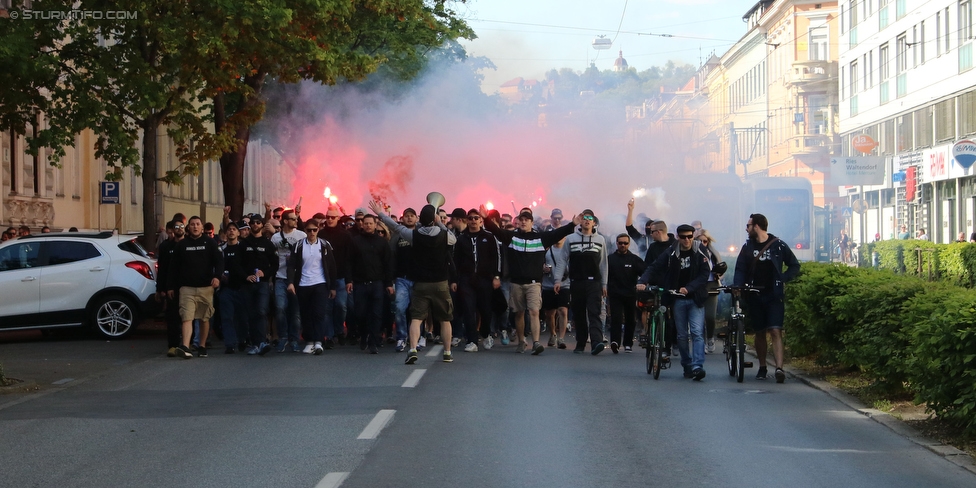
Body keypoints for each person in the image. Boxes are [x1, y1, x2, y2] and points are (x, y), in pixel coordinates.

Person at [483, 206, 579, 355]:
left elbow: (558, 233)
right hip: (516, 283)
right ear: (518, 222)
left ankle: (535, 342)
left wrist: (572, 225)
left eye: (526, 220)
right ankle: (521, 342)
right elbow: (496, 231)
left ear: (531, 222)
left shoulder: (540, 238)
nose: (523, 222)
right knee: (519, 313)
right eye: (521, 220)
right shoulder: (512, 237)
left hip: (534, 283)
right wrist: (486, 218)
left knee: (534, 311)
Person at [372, 201, 457, 364]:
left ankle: (412, 349)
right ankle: (447, 352)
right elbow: (453, 239)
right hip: (440, 283)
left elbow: (396, 228)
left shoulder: (414, 235)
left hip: (420, 283)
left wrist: (381, 214)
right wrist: (440, 223)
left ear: (420, 219)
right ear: (434, 218)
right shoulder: (444, 235)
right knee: (445, 319)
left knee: (416, 318)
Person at [733, 213, 801, 383]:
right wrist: (738, 286)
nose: (746, 229)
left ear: (756, 226)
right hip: (754, 295)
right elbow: (740, 269)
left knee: (776, 330)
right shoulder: (747, 247)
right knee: (760, 332)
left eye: (748, 225)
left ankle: (779, 368)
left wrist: (783, 278)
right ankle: (762, 366)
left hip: (774, 295)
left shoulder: (777, 245)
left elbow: (794, 265)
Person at [637, 224, 710, 381]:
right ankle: (687, 365)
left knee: (697, 332)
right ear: (678, 237)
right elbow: (655, 266)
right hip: (677, 298)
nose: (687, 240)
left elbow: (704, 274)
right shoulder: (671, 251)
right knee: (682, 335)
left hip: (695, 297)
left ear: (693, 236)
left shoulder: (699, 250)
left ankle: (698, 366)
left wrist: (689, 288)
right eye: (683, 237)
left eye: (690, 236)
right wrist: (643, 281)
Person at [167, 216, 223, 358]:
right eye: (192, 224)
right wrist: (170, 286)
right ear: (188, 227)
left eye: (198, 224)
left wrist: (217, 277)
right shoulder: (182, 245)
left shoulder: (210, 243)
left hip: (206, 287)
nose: (195, 227)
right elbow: (173, 267)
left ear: (202, 227)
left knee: (204, 318)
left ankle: (202, 346)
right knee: (187, 317)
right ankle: (185, 346)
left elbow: (219, 261)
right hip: (186, 288)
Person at [556, 209, 609, 355]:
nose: (586, 221)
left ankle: (596, 342)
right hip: (576, 281)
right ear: (581, 221)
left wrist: (604, 284)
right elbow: (562, 260)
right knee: (578, 313)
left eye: (589, 218)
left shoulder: (600, 240)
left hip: (594, 282)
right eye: (584, 218)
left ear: (594, 222)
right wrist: (557, 280)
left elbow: (604, 263)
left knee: (594, 312)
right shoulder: (571, 238)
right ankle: (580, 343)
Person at [286, 221, 338, 355]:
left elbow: (332, 266)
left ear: (318, 229)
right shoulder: (298, 245)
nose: (312, 233)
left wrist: (332, 286)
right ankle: (309, 341)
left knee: (319, 313)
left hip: (320, 283)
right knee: (306, 314)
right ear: (305, 230)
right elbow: (291, 265)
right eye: (309, 230)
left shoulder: (325, 245)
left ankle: (319, 341)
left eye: (314, 230)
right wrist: (291, 282)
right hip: (303, 284)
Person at [454, 208, 503, 352]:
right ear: (466, 220)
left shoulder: (488, 237)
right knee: (469, 310)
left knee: (486, 310)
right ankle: (472, 341)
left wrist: (496, 276)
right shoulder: (461, 238)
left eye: (476, 218)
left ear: (481, 220)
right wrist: (455, 280)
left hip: (485, 279)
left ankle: (486, 334)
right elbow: (456, 260)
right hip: (466, 279)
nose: (473, 221)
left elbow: (496, 257)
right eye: (470, 218)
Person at [347, 214, 395, 354]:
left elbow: (388, 264)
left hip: (377, 284)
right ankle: (363, 335)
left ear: (375, 224)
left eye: (370, 223)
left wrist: (389, 283)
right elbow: (349, 262)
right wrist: (348, 280)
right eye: (365, 223)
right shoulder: (355, 241)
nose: (368, 225)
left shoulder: (382, 242)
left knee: (376, 314)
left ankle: (374, 341)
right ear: (362, 225)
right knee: (360, 313)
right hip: (360, 284)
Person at [241, 216, 278, 355]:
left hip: (262, 284)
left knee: (262, 312)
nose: (255, 225)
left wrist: (265, 273)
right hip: (247, 284)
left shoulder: (268, 244)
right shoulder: (243, 244)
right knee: (251, 314)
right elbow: (237, 264)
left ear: (262, 225)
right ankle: (254, 343)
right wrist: (245, 276)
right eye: (252, 223)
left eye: (258, 222)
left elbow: (275, 264)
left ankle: (262, 342)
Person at [319, 206, 354, 347]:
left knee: (341, 306)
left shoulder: (346, 235)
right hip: (324, 277)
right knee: (327, 308)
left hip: (341, 276)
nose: (330, 219)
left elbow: (349, 259)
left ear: (338, 218)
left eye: (333, 217)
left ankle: (339, 330)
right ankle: (330, 335)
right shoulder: (320, 234)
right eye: (328, 217)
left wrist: (349, 279)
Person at [271, 209, 306, 352]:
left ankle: (294, 339)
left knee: (296, 312)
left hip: (297, 278)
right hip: (280, 277)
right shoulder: (275, 238)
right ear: (285, 221)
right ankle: (283, 337)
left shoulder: (301, 235)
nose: (295, 221)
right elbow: (272, 257)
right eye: (292, 219)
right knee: (280, 308)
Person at [607, 233, 646, 353]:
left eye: (625, 243)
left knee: (630, 319)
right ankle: (615, 342)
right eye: (620, 243)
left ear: (629, 244)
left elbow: (645, 273)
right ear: (616, 244)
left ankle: (628, 343)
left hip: (630, 293)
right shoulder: (610, 259)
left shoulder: (634, 259)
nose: (623, 245)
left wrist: (642, 283)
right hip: (614, 294)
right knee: (616, 318)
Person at [218, 221, 249, 354]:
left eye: (234, 229)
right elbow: (216, 265)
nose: (231, 231)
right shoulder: (220, 249)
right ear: (226, 233)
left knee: (242, 317)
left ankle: (243, 340)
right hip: (226, 289)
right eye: (229, 229)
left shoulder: (243, 248)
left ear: (238, 232)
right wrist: (220, 275)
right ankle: (230, 344)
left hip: (242, 287)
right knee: (227, 317)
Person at [157, 220, 185, 356]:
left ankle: (188, 343)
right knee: (172, 317)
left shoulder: (190, 245)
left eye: (181, 226)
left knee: (187, 316)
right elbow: (162, 269)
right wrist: (160, 288)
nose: (179, 229)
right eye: (177, 227)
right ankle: (173, 345)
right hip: (172, 287)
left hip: (188, 286)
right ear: (172, 230)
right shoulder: (165, 247)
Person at [695, 229, 725, 353]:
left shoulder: (713, 253)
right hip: (697, 286)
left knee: (710, 316)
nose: (702, 243)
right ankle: (700, 341)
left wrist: (719, 275)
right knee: (698, 316)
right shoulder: (693, 253)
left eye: (705, 241)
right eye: (700, 241)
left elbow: (722, 270)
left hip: (712, 285)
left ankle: (710, 338)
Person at [542, 237, 570, 349]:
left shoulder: (568, 250)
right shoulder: (547, 250)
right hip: (548, 284)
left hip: (565, 284)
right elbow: (539, 262)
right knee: (549, 313)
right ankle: (553, 333)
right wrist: (543, 268)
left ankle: (561, 338)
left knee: (563, 310)